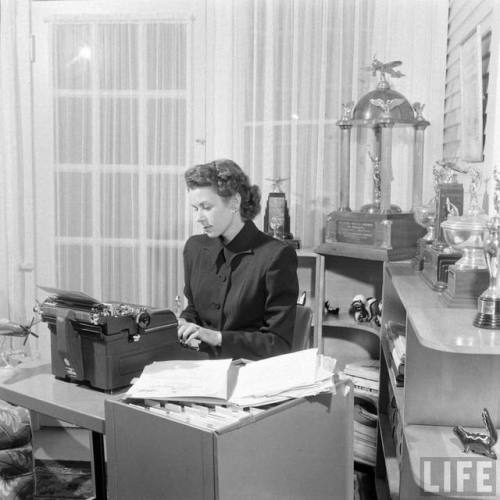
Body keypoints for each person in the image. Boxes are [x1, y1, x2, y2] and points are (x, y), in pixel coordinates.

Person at [178, 159, 298, 360]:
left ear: (234, 202)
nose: (198, 217)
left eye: (206, 207)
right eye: (195, 208)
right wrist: (183, 324)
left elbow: (278, 344)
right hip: (199, 366)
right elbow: (193, 310)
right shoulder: (195, 248)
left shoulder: (276, 256)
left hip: (249, 371)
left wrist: (217, 338)